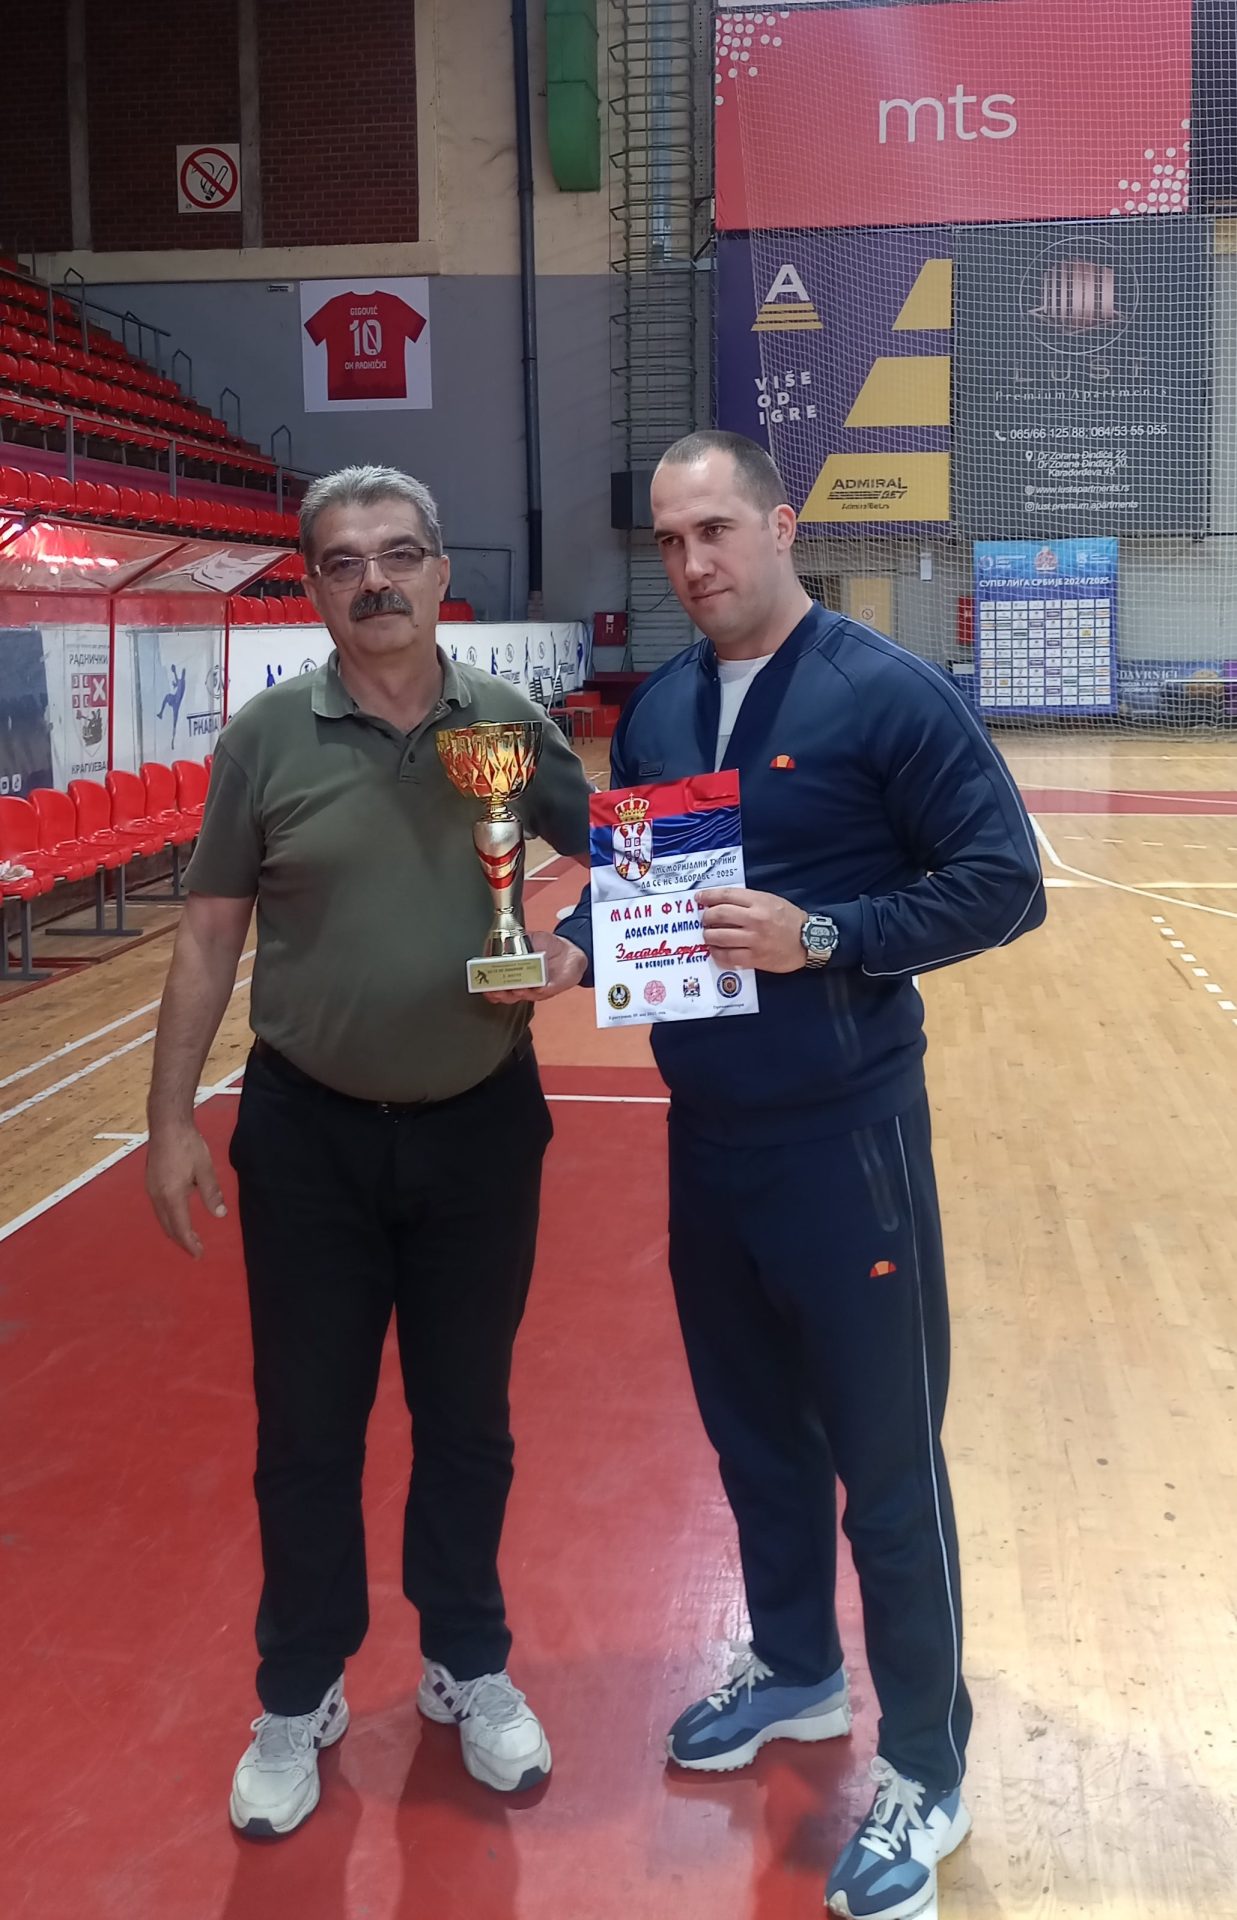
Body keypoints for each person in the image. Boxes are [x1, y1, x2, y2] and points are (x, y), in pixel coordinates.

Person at [497, 430, 1046, 1918]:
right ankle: (799, 1666)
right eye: (670, 540)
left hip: (845, 1141)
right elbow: (641, 898)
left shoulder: (887, 692)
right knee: (753, 1440)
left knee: (887, 1467)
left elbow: (1004, 884)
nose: (692, 564)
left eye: (717, 531)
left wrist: (827, 935)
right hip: (709, 1136)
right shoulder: (664, 710)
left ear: (781, 524)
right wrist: (565, 954)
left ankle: (925, 1765)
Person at [145, 464, 591, 1838]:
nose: (375, 580)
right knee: (305, 1432)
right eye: (343, 562)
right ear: (315, 586)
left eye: (399, 554)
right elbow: (209, 933)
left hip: (480, 1128)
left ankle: (467, 1661)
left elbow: (633, 856)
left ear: (442, 570)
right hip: (309, 1136)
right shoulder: (266, 738)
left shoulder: (511, 724)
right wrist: (168, 1119)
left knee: (468, 1422)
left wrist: (573, 953)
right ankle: (298, 1692)